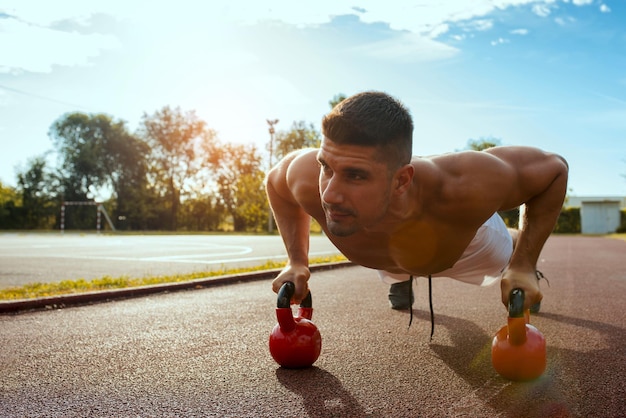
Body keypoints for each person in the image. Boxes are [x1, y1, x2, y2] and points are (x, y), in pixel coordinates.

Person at [265, 91, 568, 314]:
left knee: (506, 242)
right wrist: (296, 260)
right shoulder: (304, 178)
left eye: (355, 176)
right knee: (396, 253)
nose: (329, 195)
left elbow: (554, 170)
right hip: (391, 251)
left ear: (401, 180)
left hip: (468, 247)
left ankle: (516, 250)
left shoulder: (464, 187)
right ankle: (401, 277)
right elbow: (275, 186)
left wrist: (524, 264)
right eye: (326, 167)